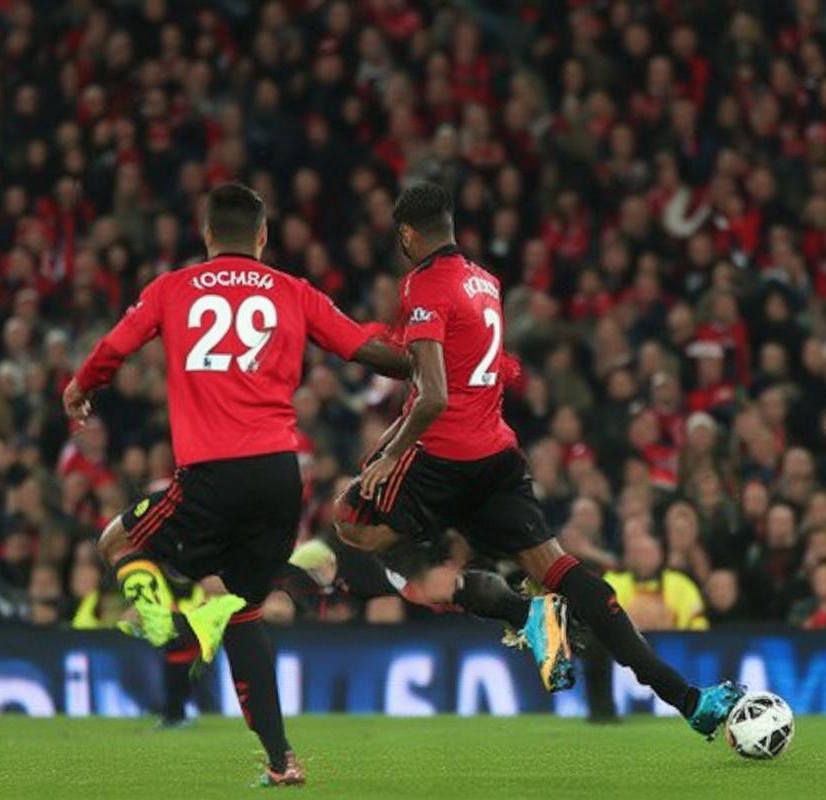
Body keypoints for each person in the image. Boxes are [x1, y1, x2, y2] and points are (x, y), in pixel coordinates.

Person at [334, 183, 742, 738]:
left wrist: (390, 454)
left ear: (407, 234)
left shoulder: (423, 284)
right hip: (497, 457)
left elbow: (432, 395)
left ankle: (518, 612)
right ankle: (689, 698)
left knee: (353, 524)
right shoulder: (486, 282)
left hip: (441, 460)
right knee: (564, 573)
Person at [62, 183, 412, 786]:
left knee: (118, 541)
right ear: (263, 236)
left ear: (205, 235)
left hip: (212, 473)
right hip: (280, 476)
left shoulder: (172, 288)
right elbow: (364, 349)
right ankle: (281, 761)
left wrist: (80, 386)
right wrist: (427, 365)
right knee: (244, 613)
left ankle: (166, 627)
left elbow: (114, 348)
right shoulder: (293, 291)